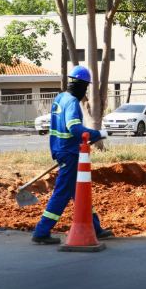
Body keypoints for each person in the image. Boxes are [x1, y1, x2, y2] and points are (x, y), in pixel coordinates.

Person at [31, 65, 112, 245]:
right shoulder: (72, 103)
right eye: (85, 87)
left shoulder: (60, 98)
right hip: (69, 153)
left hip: (61, 150)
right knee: (62, 193)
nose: (85, 91)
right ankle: (42, 231)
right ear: (82, 86)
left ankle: (95, 228)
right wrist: (98, 134)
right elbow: (74, 128)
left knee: (80, 193)